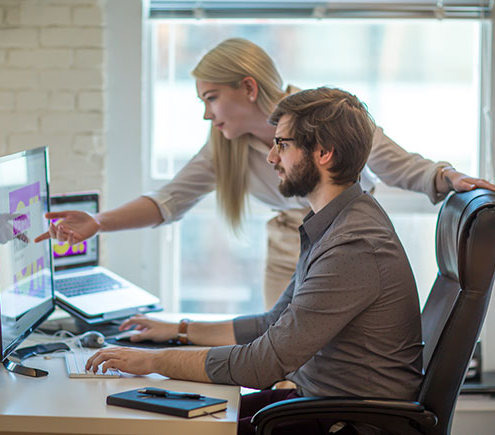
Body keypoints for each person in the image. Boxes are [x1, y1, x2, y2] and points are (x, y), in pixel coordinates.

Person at [35, 38, 495, 309]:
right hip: (285, 246)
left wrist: (446, 177)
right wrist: (97, 223)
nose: (205, 114)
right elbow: (169, 201)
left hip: (344, 240)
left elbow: (394, 161)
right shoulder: (225, 147)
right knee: (284, 365)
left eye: (210, 98)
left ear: (248, 88)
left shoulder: (319, 115)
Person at [85, 87, 423, 435]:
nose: (271, 157)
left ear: (323, 153)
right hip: (319, 402)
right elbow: (271, 324)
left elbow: (264, 364)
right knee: (166, 416)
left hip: (349, 422)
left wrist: (153, 362)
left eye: (283, 144)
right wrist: (181, 331)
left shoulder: (352, 245)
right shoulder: (335, 221)